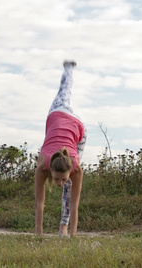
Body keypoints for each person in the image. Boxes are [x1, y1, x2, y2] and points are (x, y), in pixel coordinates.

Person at [35, 60, 87, 237]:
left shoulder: (76, 169)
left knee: (70, 188)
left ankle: (64, 228)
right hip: (58, 114)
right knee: (64, 91)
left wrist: (74, 237)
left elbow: (75, 203)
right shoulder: (42, 165)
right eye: (57, 179)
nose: (58, 182)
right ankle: (68, 69)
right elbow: (39, 203)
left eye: (61, 178)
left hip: (77, 126)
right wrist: (38, 235)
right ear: (50, 170)